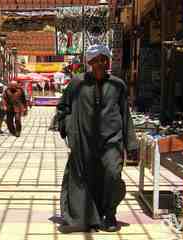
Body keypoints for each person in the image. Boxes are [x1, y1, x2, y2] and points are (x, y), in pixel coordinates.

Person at [56, 44, 138, 233]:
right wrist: (69, 128)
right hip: (85, 139)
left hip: (112, 140)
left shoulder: (118, 85)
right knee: (88, 178)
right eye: (97, 60)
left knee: (112, 174)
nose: (101, 64)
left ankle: (109, 212)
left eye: (104, 60)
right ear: (90, 62)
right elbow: (63, 107)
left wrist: (131, 143)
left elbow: (125, 115)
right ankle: (89, 216)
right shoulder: (77, 83)